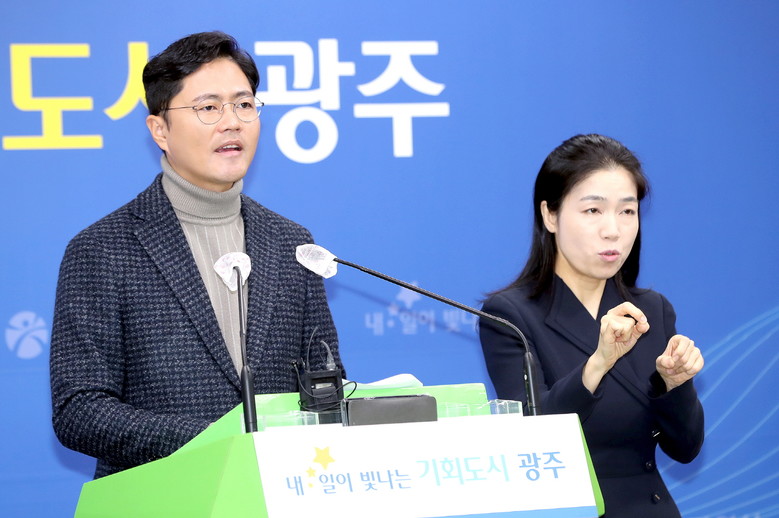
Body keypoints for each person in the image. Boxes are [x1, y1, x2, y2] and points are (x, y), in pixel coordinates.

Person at [49, 31, 345, 479]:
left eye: (244, 104)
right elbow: (79, 409)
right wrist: (214, 442)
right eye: (208, 108)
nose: (233, 122)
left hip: (280, 493)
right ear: (160, 130)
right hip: (162, 495)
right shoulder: (103, 249)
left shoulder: (291, 243)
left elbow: (325, 381)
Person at [479, 134, 704, 517]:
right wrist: (598, 363)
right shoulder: (510, 317)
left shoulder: (652, 309)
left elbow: (685, 448)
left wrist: (675, 385)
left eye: (627, 211)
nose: (613, 230)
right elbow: (532, 440)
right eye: (593, 210)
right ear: (550, 215)